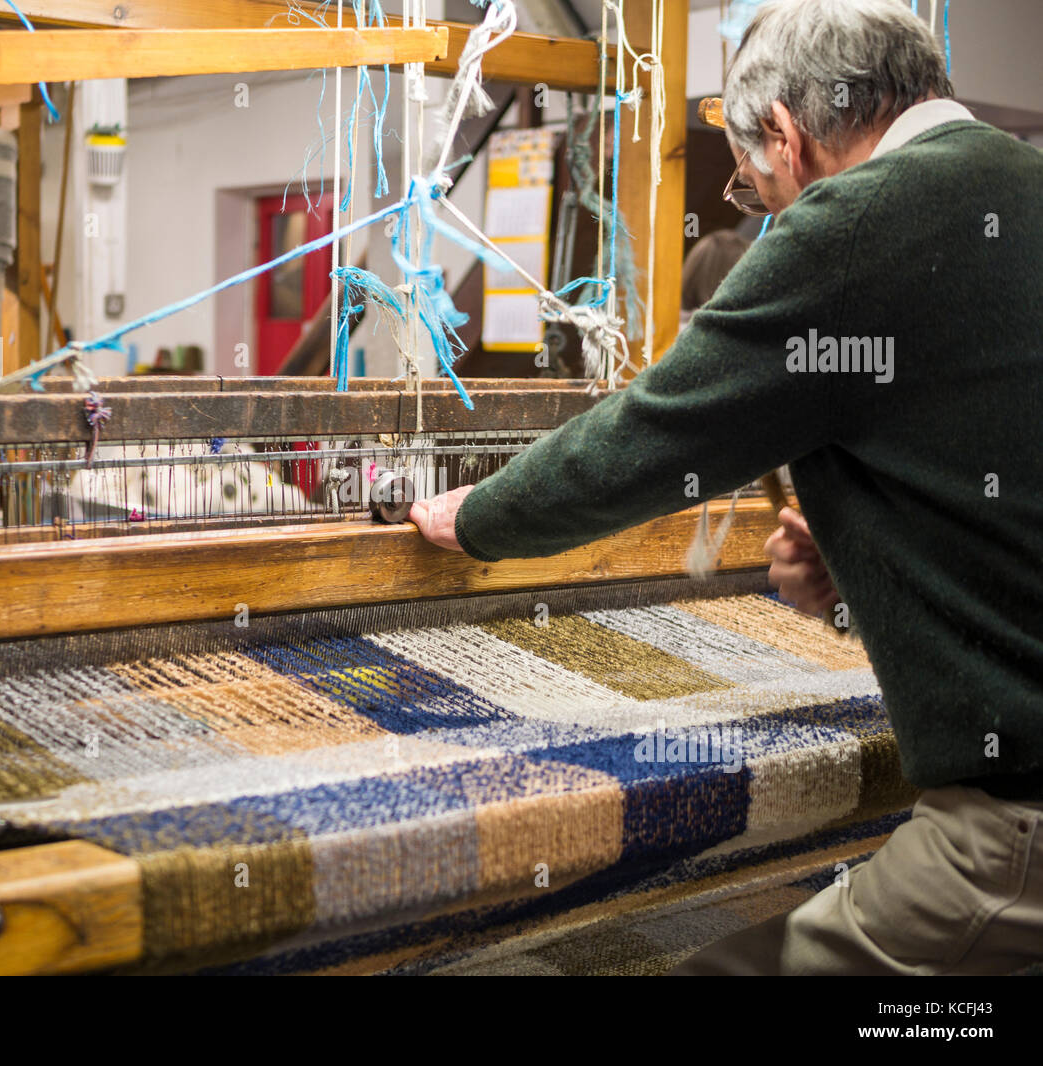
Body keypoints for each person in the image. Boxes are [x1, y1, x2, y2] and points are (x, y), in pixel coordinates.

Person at [409, 0, 1043, 975]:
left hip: (1011, 836)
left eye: (753, 195)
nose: (766, 221)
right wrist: (865, 556)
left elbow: (653, 434)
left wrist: (476, 516)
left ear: (786, 134)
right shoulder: (1020, 183)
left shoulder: (854, 221)